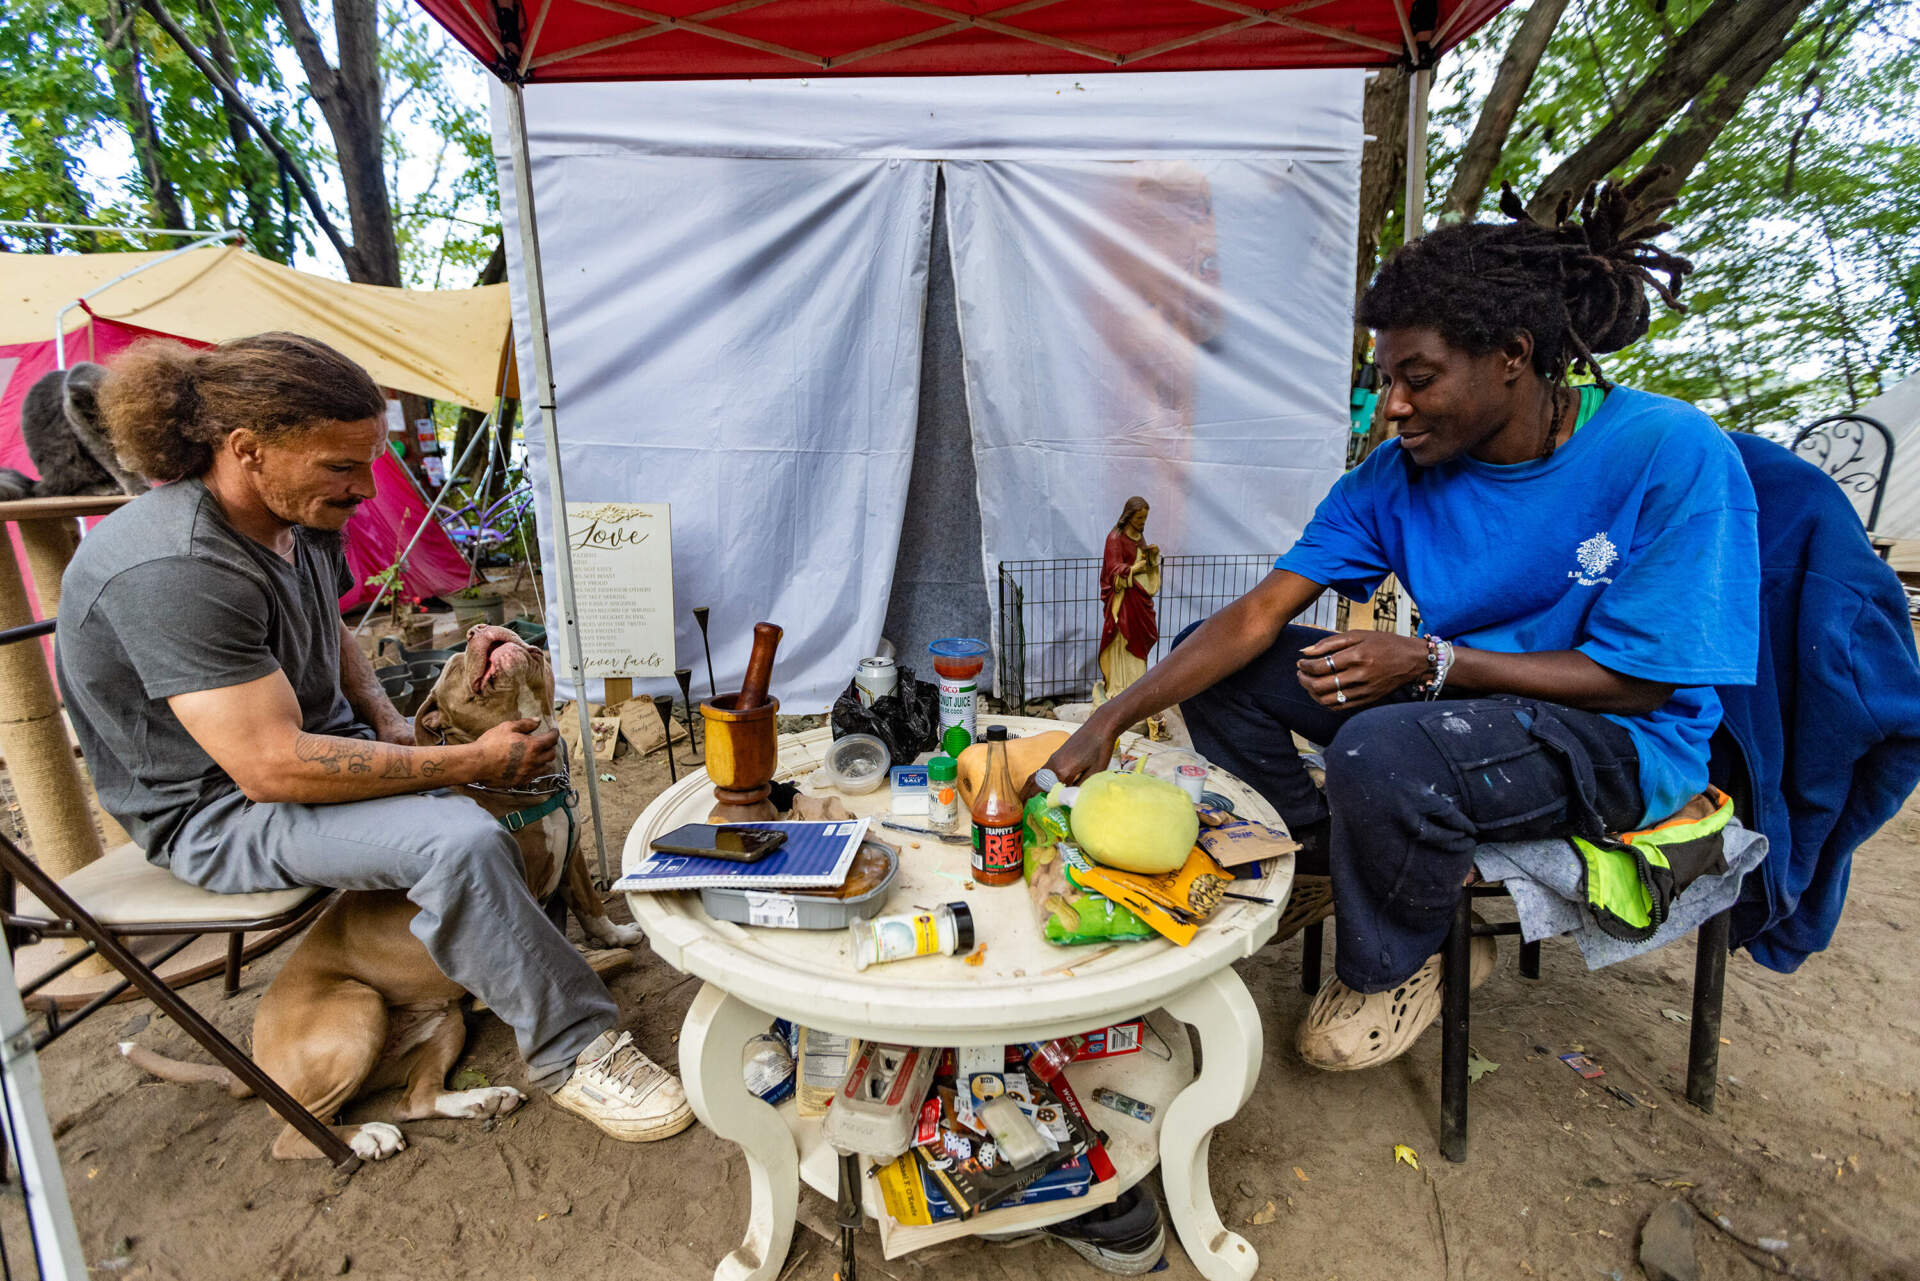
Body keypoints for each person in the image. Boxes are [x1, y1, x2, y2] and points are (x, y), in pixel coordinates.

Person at [1038, 176, 1760, 1070]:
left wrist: (1432, 661)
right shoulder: (1392, 477)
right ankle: (1318, 860)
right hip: (1458, 705)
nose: (1394, 407)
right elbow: (1263, 613)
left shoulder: (1669, 452)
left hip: (1617, 737)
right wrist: (1106, 718)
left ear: (1512, 355)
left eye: (1418, 379)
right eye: (1386, 381)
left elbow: (1647, 679)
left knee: (1379, 749)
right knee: (1211, 659)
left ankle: (1400, 960)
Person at [56, 332, 691, 1141]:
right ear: (246, 450)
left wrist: (398, 727)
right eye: (340, 466)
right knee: (455, 839)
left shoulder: (297, 511)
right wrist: (453, 762)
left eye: (370, 460)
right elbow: (271, 766)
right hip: (221, 810)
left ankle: (530, 956)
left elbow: (333, 633)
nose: (365, 488)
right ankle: (576, 1050)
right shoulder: (173, 569)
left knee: (512, 759)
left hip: (305, 752)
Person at [1095, 496, 1161, 706]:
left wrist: (1151, 559)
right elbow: (1113, 570)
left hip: (1138, 600)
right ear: (1129, 516)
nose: (1143, 523)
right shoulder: (1115, 538)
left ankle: (1135, 687)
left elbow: (1142, 564)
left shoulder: (1139, 537)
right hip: (1122, 602)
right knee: (1122, 639)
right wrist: (1134, 570)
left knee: (1140, 637)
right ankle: (1118, 687)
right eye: (1139, 518)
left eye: (1145, 518)